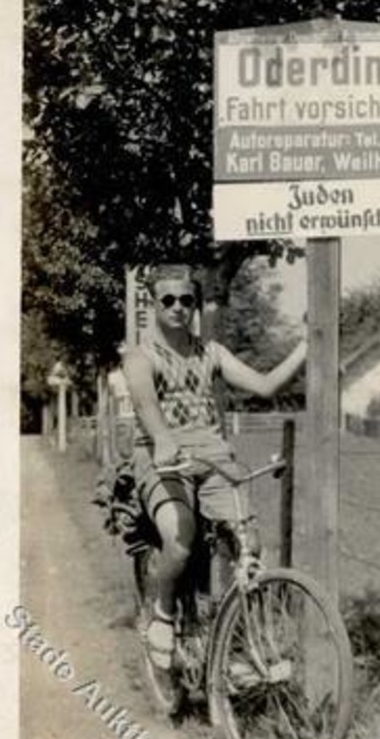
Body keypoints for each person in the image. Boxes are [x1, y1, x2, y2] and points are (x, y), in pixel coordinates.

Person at [124, 263, 306, 669]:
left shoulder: (212, 352)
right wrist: (164, 440)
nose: (177, 307)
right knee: (181, 536)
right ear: (153, 303)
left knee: (249, 545)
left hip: (214, 457)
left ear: (196, 305)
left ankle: (234, 647)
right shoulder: (141, 356)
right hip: (162, 458)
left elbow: (265, 385)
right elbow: (144, 403)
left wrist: (306, 344)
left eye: (186, 300)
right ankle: (164, 613)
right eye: (167, 299)